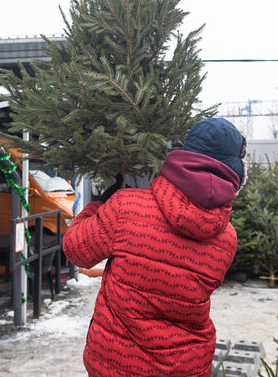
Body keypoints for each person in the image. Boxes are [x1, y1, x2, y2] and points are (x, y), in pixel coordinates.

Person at [63, 118, 247, 376]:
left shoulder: (126, 206)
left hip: (116, 364)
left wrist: (97, 206)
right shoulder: (227, 238)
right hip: (186, 366)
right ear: (233, 173)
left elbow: (77, 250)